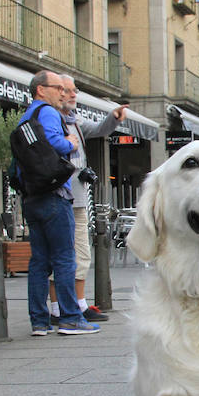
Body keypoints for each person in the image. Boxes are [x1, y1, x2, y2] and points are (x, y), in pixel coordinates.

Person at [18, 70, 100, 335]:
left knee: (39, 261)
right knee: (65, 258)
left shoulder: (26, 116)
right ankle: (70, 318)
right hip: (55, 194)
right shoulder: (49, 113)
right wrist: (70, 141)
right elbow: (56, 143)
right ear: (41, 90)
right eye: (58, 88)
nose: (63, 93)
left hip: (32, 196)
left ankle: (39, 322)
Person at [47, 75, 126, 325]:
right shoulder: (50, 122)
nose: (72, 95)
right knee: (59, 254)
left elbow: (100, 129)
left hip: (78, 198)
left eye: (74, 90)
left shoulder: (76, 122)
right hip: (58, 197)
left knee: (81, 254)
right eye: (67, 91)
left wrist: (113, 118)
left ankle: (79, 304)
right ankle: (56, 307)